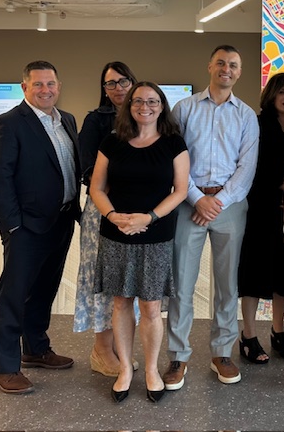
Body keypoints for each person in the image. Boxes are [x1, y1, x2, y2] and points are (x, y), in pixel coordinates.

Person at [165, 44, 259, 388]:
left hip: (229, 207)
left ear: (239, 71)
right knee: (181, 284)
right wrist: (195, 198)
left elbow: (246, 167)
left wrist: (218, 201)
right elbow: (173, 157)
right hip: (187, 203)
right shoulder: (183, 109)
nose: (227, 69)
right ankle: (178, 356)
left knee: (227, 286)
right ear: (209, 66)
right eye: (221, 62)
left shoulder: (246, 115)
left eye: (233, 64)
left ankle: (222, 351)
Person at [90, 81, 190, 403]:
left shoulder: (174, 143)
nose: (144, 107)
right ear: (128, 106)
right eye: (137, 101)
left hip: (156, 235)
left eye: (152, 101)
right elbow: (97, 188)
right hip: (116, 234)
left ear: (161, 106)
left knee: (150, 306)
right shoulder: (112, 142)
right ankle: (125, 370)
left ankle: (150, 369)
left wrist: (148, 217)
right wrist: (113, 216)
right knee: (120, 302)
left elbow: (181, 190)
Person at [0, 61, 80, 394]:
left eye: (51, 84)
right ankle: (4, 368)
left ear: (58, 85)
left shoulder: (66, 120)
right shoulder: (7, 124)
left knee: (43, 291)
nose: (45, 90)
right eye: (38, 84)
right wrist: (13, 226)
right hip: (25, 226)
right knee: (13, 296)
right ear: (25, 87)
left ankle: (36, 349)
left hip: (61, 220)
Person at [74, 62, 140, 377]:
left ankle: (117, 349)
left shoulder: (146, 117)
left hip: (136, 214)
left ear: (133, 81)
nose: (116, 88)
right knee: (101, 281)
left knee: (123, 282)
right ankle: (101, 350)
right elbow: (87, 169)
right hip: (104, 211)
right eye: (109, 84)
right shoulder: (96, 120)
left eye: (122, 81)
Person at [237, 73, 284, 363]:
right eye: (282, 92)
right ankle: (249, 335)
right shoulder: (257, 124)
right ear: (271, 96)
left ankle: (278, 331)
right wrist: (283, 185)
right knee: (254, 274)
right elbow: (248, 167)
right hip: (261, 210)